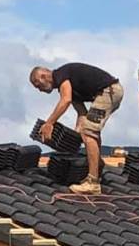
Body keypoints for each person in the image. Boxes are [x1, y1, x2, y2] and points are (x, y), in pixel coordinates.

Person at [30, 62, 123, 193]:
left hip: (109, 91)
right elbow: (82, 114)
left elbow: (65, 100)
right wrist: (75, 136)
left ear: (44, 76)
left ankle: (93, 183)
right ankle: (97, 165)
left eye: (38, 85)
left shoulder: (61, 74)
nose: (40, 90)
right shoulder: (68, 85)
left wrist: (49, 123)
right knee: (89, 130)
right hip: (108, 92)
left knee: (89, 132)